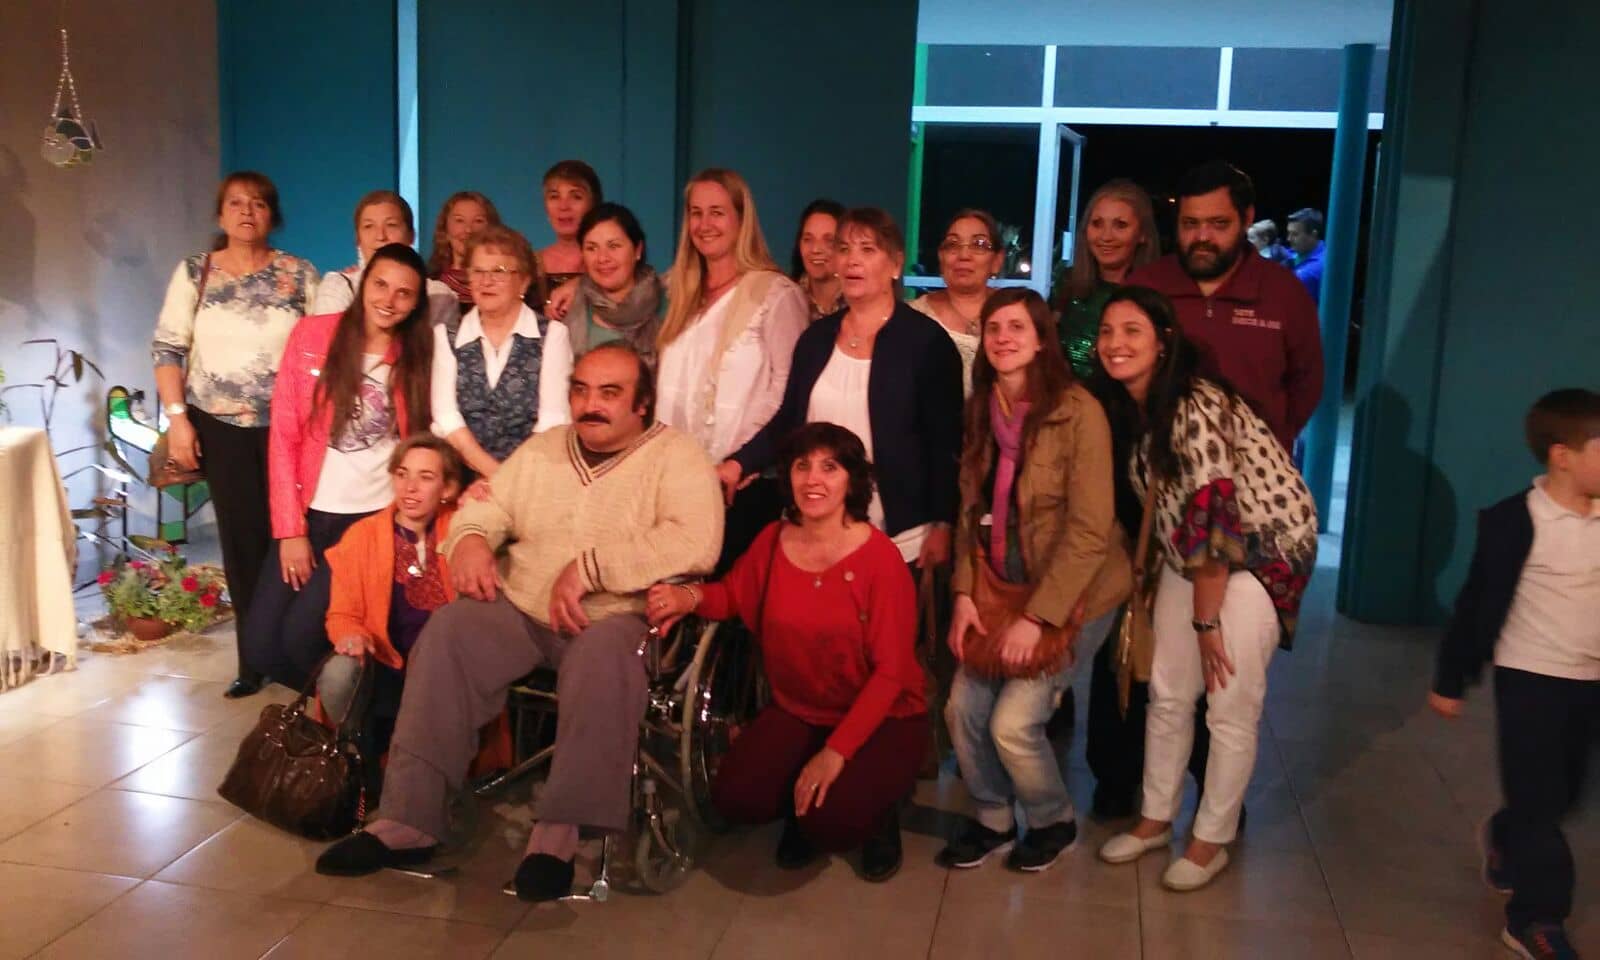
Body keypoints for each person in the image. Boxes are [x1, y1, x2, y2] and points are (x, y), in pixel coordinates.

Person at [314, 343, 724, 903]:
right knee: (451, 632)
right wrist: (471, 539)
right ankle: (409, 818)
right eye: (580, 390)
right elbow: (491, 506)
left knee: (604, 660)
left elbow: (695, 541)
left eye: (610, 393)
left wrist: (590, 569)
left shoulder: (678, 456)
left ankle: (557, 834)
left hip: (615, 617)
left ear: (642, 404)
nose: (591, 404)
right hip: (523, 608)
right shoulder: (546, 449)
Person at [1092, 286, 1317, 891]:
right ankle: (1155, 818)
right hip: (1188, 557)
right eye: (1108, 331)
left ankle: (1210, 839)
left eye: (1132, 331)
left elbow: (1216, 520)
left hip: (1258, 554)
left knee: (1229, 703)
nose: (1115, 343)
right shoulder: (1139, 407)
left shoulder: (1196, 404)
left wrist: (1206, 622)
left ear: (1164, 342)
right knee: (1168, 691)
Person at [647, 423, 925, 881]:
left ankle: (877, 812)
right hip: (800, 708)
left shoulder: (879, 561)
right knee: (736, 797)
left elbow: (891, 673)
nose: (813, 479)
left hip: (884, 714)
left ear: (852, 481)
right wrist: (688, 597)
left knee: (833, 822)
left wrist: (835, 752)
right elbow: (733, 596)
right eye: (802, 466)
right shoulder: (774, 540)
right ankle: (805, 797)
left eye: (829, 468)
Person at [935, 288, 1130, 873]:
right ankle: (993, 817)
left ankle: (1052, 820)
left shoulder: (1078, 412)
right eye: (994, 328)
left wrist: (1037, 617)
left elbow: (1091, 531)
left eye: (1017, 327)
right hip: (997, 586)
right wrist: (964, 593)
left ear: (1043, 339)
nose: (1003, 338)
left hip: (1075, 592)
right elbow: (969, 513)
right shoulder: (980, 408)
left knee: (1013, 724)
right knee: (961, 711)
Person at [1429, 388, 1600, 960]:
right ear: (1563, 456)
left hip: (1591, 681)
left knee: (1565, 795)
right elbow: (1475, 603)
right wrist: (1451, 678)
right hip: (1530, 677)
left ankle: (1504, 835)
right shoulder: (1514, 521)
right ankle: (1536, 919)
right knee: (1540, 806)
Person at [720, 207, 963, 572]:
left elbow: (945, 446)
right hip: (814, 527)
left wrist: (944, 523)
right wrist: (739, 463)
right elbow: (788, 422)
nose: (853, 261)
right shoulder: (815, 340)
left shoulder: (926, 343)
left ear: (896, 264)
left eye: (868, 249)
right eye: (845, 249)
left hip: (898, 537)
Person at [151, 170, 318, 699]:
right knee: (242, 545)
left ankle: (300, 654)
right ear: (221, 213)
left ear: (273, 215)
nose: (248, 211)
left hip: (290, 429)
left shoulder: (300, 274)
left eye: (259, 203)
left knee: (292, 538)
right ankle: (254, 659)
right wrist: (178, 419)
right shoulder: (195, 272)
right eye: (237, 202)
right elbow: (168, 350)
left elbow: (323, 350)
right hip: (219, 428)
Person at [240, 244, 436, 693]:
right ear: (363, 284)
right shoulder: (313, 335)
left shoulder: (418, 356)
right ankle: (355, 709)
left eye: (404, 293)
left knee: (301, 637)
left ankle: (364, 715)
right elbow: (284, 436)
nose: (389, 300)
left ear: (416, 303)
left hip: (370, 520)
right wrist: (290, 530)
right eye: (380, 284)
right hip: (311, 512)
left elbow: (422, 441)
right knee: (261, 646)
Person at [654, 168, 809, 566]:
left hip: (742, 486)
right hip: (676, 485)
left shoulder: (774, 294)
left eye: (717, 212)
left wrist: (745, 460)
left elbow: (790, 394)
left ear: (742, 219)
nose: (705, 224)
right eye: (696, 213)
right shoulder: (679, 292)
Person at [1127, 161, 1323, 452]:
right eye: (1190, 223)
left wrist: (1268, 440)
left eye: (1219, 224)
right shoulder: (1146, 285)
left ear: (1247, 219)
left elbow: (1307, 382)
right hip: (1158, 464)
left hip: (1255, 470)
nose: (1202, 237)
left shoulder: (1284, 292)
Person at [316, 435, 461, 748]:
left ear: (447, 489)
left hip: (443, 672)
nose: (410, 487)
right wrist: (352, 636)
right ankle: (357, 754)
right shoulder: (363, 536)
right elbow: (341, 614)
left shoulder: (461, 527)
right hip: (385, 663)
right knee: (337, 674)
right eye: (402, 474)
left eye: (426, 477)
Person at [431, 225, 572, 485]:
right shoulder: (446, 336)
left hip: (532, 479)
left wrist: (511, 483)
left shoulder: (552, 336)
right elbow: (447, 418)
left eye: (499, 271)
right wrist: (497, 476)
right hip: (462, 480)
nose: (486, 281)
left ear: (524, 281)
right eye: (478, 271)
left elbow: (552, 422)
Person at [1054, 180, 1161, 380]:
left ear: (1143, 234)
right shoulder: (1066, 283)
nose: (1106, 236)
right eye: (1097, 224)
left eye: (1120, 225)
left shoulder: (1154, 296)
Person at [313, 190, 457, 329]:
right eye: (369, 226)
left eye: (391, 225)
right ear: (357, 238)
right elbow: (327, 340)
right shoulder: (338, 286)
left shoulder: (438, 295)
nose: (380, 236)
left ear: (411, 235)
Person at [909, 208, 1004, 396]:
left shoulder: (1015, 312)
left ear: (997, 260)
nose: (964, 255)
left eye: (978, 244)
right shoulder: (913, 317)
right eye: (952, 244)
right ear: (941, 257)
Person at [561, 202, 663, 365]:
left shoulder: (669, 307)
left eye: (614, 246)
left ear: (637, 250)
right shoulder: (568, 308)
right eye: (592, 248)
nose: (602, 258)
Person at [533, 160, 602, 303]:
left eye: (576, 196)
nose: (563, 206)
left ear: (593, 204)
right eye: (554, 196)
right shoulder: (528, 264)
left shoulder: (609, 263)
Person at [426, 191, 501, 314]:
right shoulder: (429, 286)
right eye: (459, 220)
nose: (468, 230)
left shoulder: (504, 285)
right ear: (445, 229)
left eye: (478, 221)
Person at [790, 198, 847, 322]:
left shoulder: (859, 298)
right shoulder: (788, 299)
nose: (816, 249)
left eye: (829, 241)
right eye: (808, 239)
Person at [1285, 208, 1327, 303]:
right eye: (1289, 233)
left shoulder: (1315, 268)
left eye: (1295, 234)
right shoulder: (1301, 250)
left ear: (1313, 235)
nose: (1288, 239)